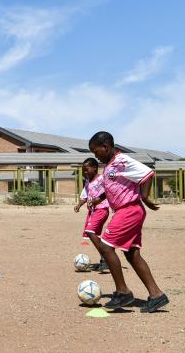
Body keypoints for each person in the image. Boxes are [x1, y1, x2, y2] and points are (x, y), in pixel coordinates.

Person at [89, 131, 168, 312]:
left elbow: (147, 173)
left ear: (105, 147)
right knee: (132, 254)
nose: (96, 156)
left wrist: (145, 196)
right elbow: (112, 186)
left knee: (106, 247)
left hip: (129, 210)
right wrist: (99, 199)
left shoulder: (121, 160)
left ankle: (122, 292)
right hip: (126, 211)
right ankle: (157, 295)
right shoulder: (110, 165)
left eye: (96, 152)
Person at [74, 158, 110, 273]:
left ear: (94, 168)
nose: (84, 172)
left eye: (86, 170)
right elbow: (84, 196)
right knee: (96, 236)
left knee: (90, 231)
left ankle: (107, 258)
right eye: (83, 170)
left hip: (102, 209)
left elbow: (109, 191)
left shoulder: (102, 179)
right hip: (92, 212)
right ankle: (105, 259)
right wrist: (79, 205)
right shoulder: (88, 182)